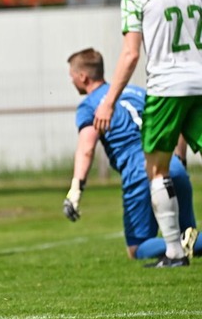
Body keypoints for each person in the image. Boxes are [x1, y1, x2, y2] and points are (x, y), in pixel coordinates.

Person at [93, 0, 202, 268]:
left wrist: (108, 100)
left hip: (167, 87)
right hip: (200, 82)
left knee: (156, 168)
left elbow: (130, 54)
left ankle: (172, 252)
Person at [63, 48, 200, 263]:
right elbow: (177, 119)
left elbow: (86, 148)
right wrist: (179, 160)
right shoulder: (137, 92)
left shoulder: (90, 105)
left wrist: (76, 189)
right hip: (170, 163)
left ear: (83, 77)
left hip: (141, 172)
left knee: (137, 248)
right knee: (191, 234)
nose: (71, 81)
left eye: (71, 76)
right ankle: (182, 244)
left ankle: (175, 246)